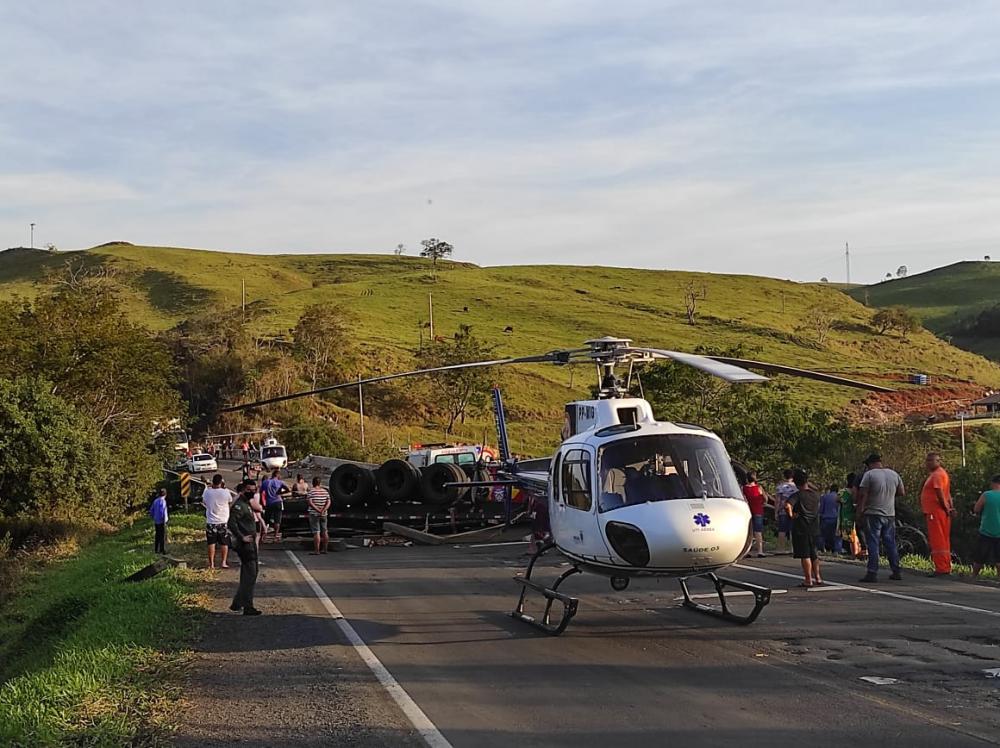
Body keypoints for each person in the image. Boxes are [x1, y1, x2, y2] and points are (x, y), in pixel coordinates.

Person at [857, 453, 904, 583]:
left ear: (870, 464)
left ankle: (872, 572)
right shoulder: (894, 474)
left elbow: (863, 494)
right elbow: (901, 492)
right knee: (890, 543)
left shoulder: (869, 475)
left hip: (873, 513)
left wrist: (860, 511)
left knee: (873, 543)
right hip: (889, 514)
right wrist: (888, 496)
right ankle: (896, 570)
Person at [227, 480, 263, 615]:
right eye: (249, 490)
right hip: (245, 545)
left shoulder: (247, 503)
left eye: (254, 490)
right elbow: (231, 523)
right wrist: (241, 537)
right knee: (250, 574)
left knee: (249, 573)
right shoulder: (239, 505)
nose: (252, 492)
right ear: (243, 490)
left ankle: (237, 603)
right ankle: (247, 606)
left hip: (251, 543)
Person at [921, 452, 955, 577]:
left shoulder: (937, 475)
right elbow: (948, 493)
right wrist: (950, 507)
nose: (928, 463)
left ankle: (941, 568)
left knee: (938, 540)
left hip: (936, 512)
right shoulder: (940, 474)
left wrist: (946, 508)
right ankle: (944, 566)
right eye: (927, 460)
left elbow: (939, 492)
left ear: (938, 461)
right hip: (938, 511)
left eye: (931, 460)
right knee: (942, 539)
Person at [788, 469, 822, 587]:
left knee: (805, 554)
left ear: (796, 483)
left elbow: (787, 505)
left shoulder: (797, 495)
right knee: (814, 553)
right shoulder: (815, 495)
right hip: (814, 526)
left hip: (801, 527)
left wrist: (792, 515)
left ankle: (808, 579)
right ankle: (818, 577)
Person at [203, 473, 233, 570]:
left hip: (211, 521)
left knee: (211, 543)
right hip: (223, 521)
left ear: (213, 482)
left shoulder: (207, 492)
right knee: (224, 543)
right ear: (221, 482)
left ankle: (211, 564)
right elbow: (230, 501)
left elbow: (204, 502)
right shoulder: (226, 492)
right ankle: (223, 562)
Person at [972, 475, 1000, 578]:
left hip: (986, 530)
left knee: (980, 556)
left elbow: (976, 509)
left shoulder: (986, 495)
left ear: (993, 483)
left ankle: (974, 576)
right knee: (999, 558)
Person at [742, 471, 768, 558]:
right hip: (758, 510)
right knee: (758, 531)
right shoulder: (759, 487)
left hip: (748, 511)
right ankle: (760, 551)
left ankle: (747, 551)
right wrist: (762, 502)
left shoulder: (743, 488)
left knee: (749, 531)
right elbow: (765, 498)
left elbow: (743, 499)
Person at [260, 469, 288, 542]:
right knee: (277, 520)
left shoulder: (265, 482)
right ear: (277, 475)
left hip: (269, 502)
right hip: (277, 501)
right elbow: (288, 489)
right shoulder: (280, 482)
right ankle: (275, 536)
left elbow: (261, 492)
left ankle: (262, 536)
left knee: (266, 520)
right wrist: (279, 493)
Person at [307, 476, 332, 554]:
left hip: (314, 514)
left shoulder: (311, 492)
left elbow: (310, 503)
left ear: (313, 483)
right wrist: (323, 510)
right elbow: (328, 502)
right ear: (320, 483)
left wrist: (317, 510)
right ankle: (325, 549)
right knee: (325, 531)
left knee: (316, 532)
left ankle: (317, 550)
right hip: (324, 514)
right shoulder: (325, 491)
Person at [839, 473, 862, 558]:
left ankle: (854, 554)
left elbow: (837, 499)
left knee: (851, 537)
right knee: (857, 535)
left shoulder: (843, 492)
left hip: (847, 516)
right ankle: (859, 552)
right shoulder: (860, 491)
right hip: (859, 514)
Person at [774, 469, 797, 553]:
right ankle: (793, 548)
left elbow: (777, 500)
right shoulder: (796, 487)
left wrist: (776, 512)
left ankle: (781, 548)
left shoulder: (780, 487)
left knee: (782, 530)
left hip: (782, 510)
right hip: (794, 509)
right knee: (793, 529)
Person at [818, 484, 841, 554]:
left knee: (822, 535)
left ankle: (821, 548)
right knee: (837, 535)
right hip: (836, 518)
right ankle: (837, 550)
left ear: (830, 490)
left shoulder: (824, 497)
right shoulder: (839, 497)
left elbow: (821, 509)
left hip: (825, 518)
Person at [150, 488, 168, 554]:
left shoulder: (155, 501)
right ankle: (162, 550)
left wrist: (154, 517)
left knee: (157, 535)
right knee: (162, 536)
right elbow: (162, 511)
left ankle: (156, 549)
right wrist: (164, 520)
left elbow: (151, 510)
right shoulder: (163, 501)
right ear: (165, 494)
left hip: (156, 521)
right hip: (162, 521)